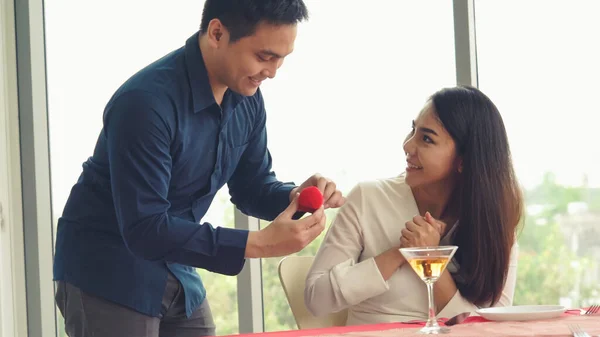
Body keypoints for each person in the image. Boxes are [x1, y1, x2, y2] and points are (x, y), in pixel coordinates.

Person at [52, 1, 345, 336]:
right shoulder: (145, 103)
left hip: (176, 263)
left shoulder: (247, 98)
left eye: (282, 59)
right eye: (264, 56)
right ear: (217, 33)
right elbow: (145, 227)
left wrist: (296, 198)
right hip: (108, 268)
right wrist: (260, 243)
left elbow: (252, 186)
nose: (273, 72)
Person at [304, 86, 523, 325]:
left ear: (463, 160)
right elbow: (317, 298)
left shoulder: (494, 222)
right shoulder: (368, 198)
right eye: (413, 131)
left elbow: (493, 326)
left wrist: (430, 257)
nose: (408, 146)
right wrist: (399, 253)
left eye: (426, 138)